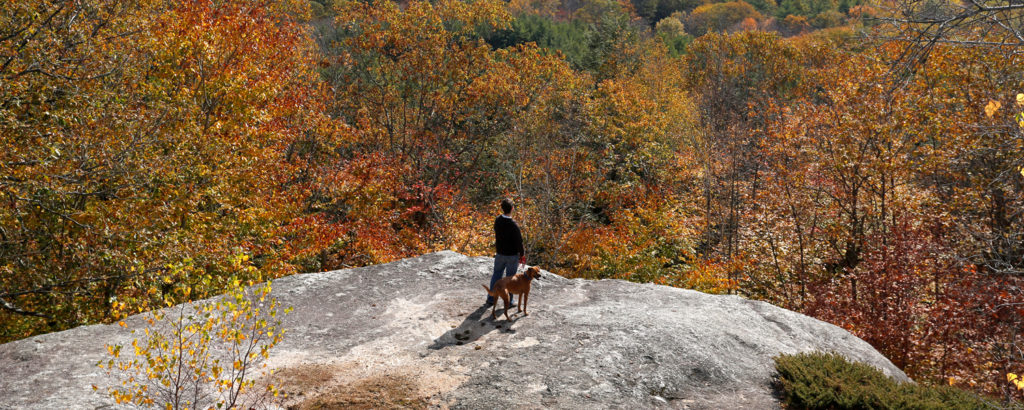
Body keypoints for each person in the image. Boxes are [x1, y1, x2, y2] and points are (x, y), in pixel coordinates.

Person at [487, 198, 525, 306]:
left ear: (502, 209)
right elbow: (519, 242)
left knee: (496, 275)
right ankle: (509, 301)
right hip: (512, 256)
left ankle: (491, 297)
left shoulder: (498, 220)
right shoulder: (514, 225)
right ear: (512, 208)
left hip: (500, 254)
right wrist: (522, 255)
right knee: (510, 279)